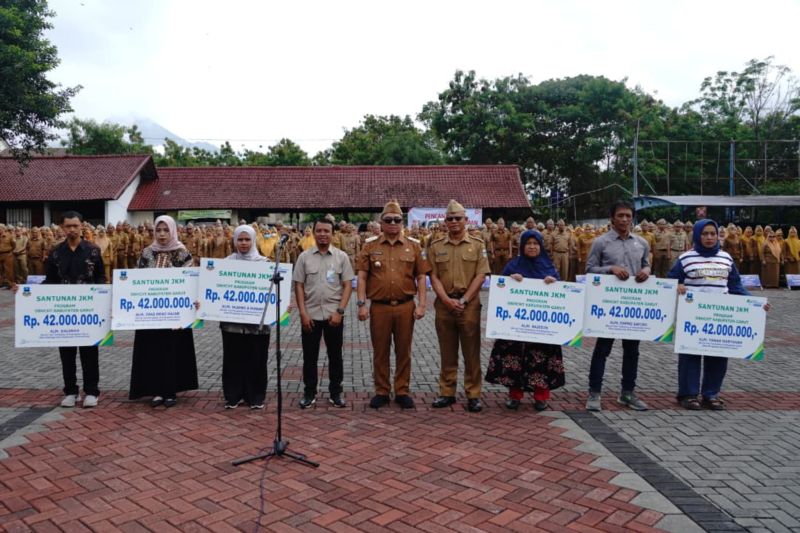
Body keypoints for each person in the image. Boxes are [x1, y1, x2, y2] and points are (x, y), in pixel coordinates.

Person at [668, 219, 770, 410]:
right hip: (693, 316)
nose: (708, 237)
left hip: (720, 316)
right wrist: (677, 286)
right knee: (690, 355)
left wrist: (755, 304)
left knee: (718, 354)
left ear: (717, 236)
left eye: (712, 234)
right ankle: (688, 394)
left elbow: (735, 286)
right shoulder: (686, 258)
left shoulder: (726, 258)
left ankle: (710, 394)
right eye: (704, 234)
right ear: (697, 235)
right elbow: (671, 281)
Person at [356, 200, 430, 409]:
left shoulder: (413, 246)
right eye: (388, 220)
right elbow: (362, 277)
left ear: (402, 222)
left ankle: (402, 391)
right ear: (381, 222)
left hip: (405, 306)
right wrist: (361, 304)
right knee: (380, 351)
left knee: (403, 350)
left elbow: (422, 277)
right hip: (379, 307)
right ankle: (381, 391)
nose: (392, 223)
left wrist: (422, 304)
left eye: (397, 220)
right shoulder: (370, 245)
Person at [485, 230, 565, 411]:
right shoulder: (513, 265)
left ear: (541, 246)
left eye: (535, 244)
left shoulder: (549, 267)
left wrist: (555, 284)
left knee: (542, 360)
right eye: (528, 243)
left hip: (542, 327)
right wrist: (510, 280)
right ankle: (515, 396)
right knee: (515, 359)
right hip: (516, 327)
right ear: (522, 246)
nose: (532, 247)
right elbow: (500, 288)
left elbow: (562, 296)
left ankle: (541, 397)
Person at [585, 200, 651, 412]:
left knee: (632, 351)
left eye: (628, 216)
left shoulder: (641, 243)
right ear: (612, 218)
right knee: (602, 350)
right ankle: (594, 392)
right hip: (609, 306)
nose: (624, 219)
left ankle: (628, 393)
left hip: (632, 307)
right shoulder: (600, 243)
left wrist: (647, 271)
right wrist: (610, 269)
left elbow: (646, 264)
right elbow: (589, 269)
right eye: (620, 215)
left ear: (633, 218)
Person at [128, 215, 198, 408]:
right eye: (158, 230)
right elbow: (136, 281)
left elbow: (189, 282)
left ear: (173, 231)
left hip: (174, 315)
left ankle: (170, 391)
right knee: (152, 351)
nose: (161, 234)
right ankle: (156, 390)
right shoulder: (147, 252)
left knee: (171, 351)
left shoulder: (182, 253)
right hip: (150, 315)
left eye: (166, 230)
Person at [428, 200, 491, 412]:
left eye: (458, 218)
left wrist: (463, 301)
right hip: (444, 304)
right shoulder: (436, 246)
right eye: (450, 218)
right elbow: (433, 276)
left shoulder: (477, 244)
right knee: (447, 351)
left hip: (469, 304)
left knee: (471, 352)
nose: (454, 222)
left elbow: (481, 276)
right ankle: (447, 392)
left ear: (466, 220)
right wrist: (446, 300)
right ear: (445, 221)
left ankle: (473, 394)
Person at [42, 211, 105, 408]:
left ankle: (92, 391)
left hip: (87, 310)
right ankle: (70, 391)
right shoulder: (55, 253)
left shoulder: (93, 251)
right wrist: (27, 292)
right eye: (68, 226)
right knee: (67, 353)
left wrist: (103, 299)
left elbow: (100, 278)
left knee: (89, 353)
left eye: (75, 226)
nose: (72, 229)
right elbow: (49, 281)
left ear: (82, 226)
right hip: (64, 310)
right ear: (62, 228)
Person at [207, 224, 272, 410]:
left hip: (257, 324)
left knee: (257, 358)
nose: (243, 243)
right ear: (235, 241)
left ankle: (256, 396)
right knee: (233, 358)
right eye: (240, 240)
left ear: (253, 240)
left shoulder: (265, 264)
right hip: (232, 323)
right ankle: (233, 395)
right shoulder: (225, 263)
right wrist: (204, 302)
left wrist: (282, 304)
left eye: (247, 239)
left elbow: (274, 292)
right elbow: (214, 288)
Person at [293, 218, 354, 409]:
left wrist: (340, 311)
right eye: (318, 230)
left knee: (335, 356)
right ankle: (309, 392)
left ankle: (336, 392)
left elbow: (347, 286)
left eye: (326, 231)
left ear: (332, 233)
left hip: (333, 315)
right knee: (309, 356)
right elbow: (299, 286)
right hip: (310, 315)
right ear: (313, 232)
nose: (322, 234)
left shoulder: (341, 257)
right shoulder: (304, 257)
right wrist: (302, 313)